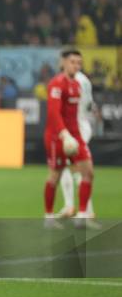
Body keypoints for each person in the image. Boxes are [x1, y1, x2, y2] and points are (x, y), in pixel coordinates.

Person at [43, 49, 97, 229]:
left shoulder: (78, 85)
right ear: (63, 63)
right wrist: (64, 135)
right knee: (55, 176)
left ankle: (82, 215)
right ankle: (49, 218)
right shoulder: (56, 84)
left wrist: (76, 136)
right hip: (57, 137)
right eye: (72, 62)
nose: (76, 65)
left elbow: (76, 114)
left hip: (75, 135)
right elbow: (53, 114)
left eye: (78, 63)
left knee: (88, 172)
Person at [57, 68, 97, 219]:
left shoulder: (69, 81)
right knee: (67, 168)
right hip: (82, 126)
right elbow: (89, 105)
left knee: (77, 168)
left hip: (75, 129)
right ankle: (72, 207)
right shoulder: (85, 80)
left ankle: (86, 210)